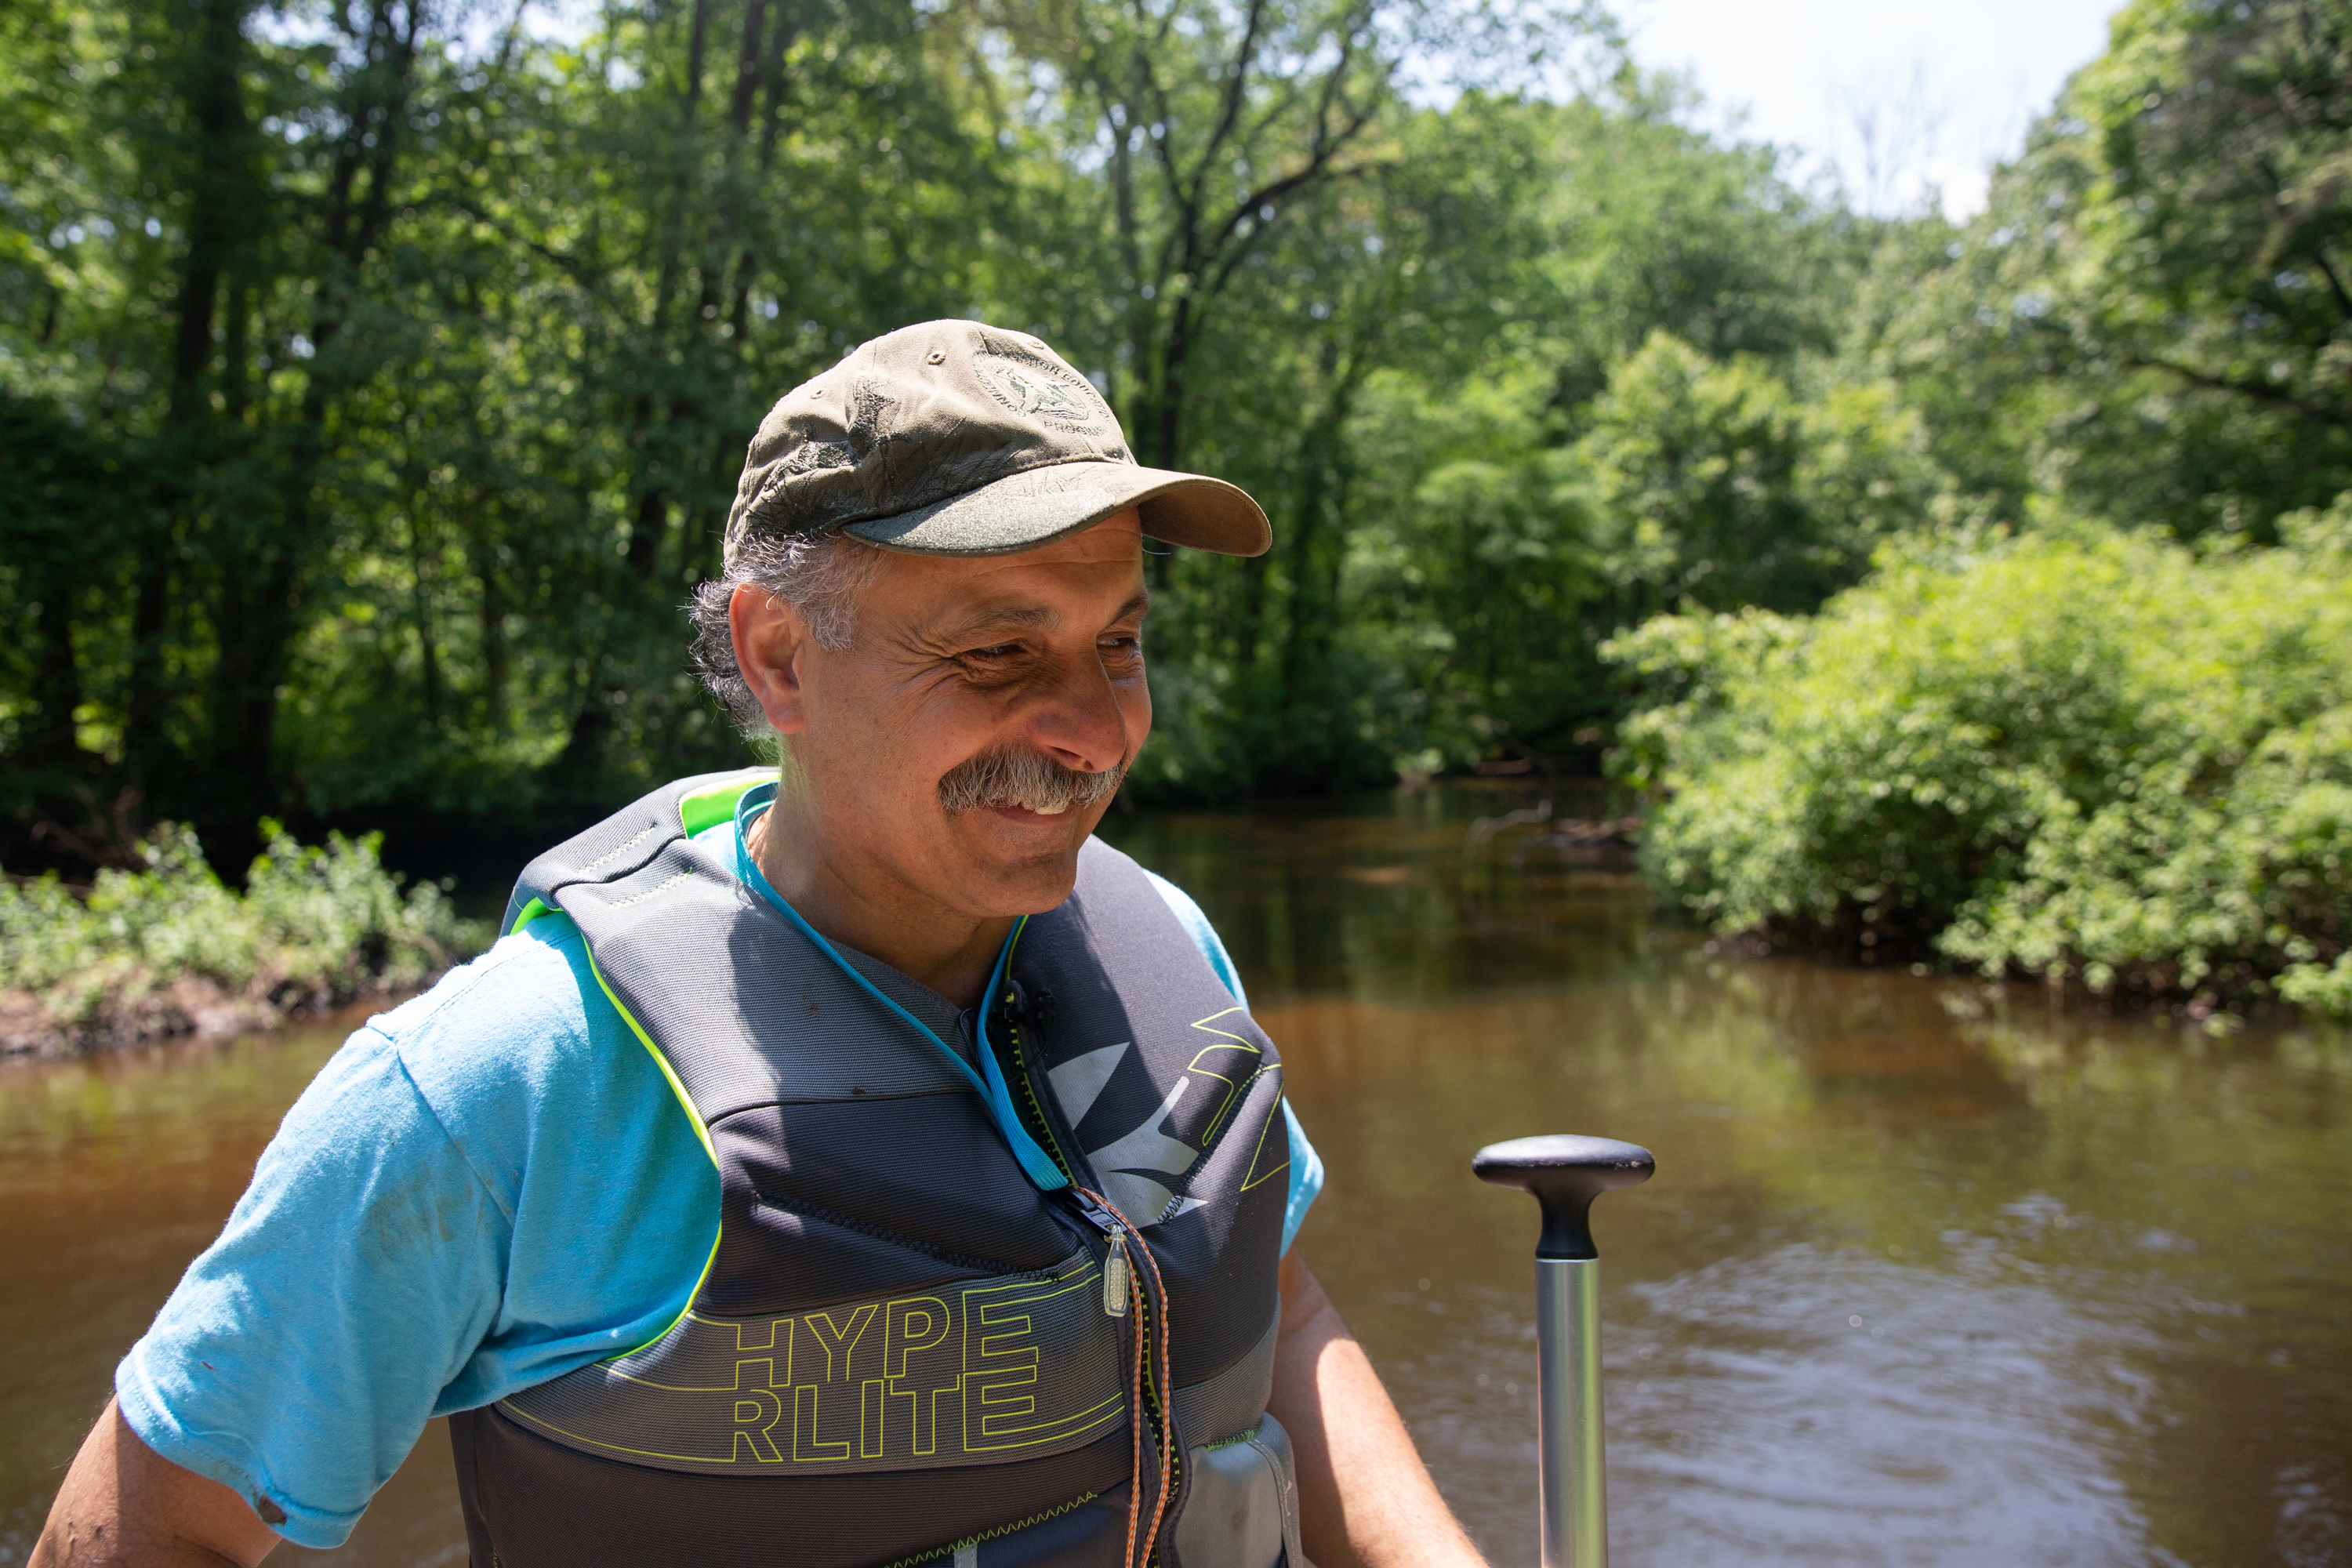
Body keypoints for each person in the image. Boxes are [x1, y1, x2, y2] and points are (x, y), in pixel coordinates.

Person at [34, 321, 1487, 1568]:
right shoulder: (504, 1086)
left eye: (1120, 640)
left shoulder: (1166, 939)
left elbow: (1275, 1303)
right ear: (780, 655)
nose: (1099, 729)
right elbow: (160, 1524)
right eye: (998, 652)